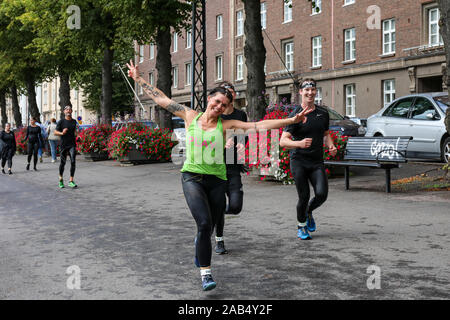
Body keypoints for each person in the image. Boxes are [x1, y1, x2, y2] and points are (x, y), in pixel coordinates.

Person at [127, 60, 311, 291]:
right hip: (192, 178)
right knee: (204, 224)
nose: (219, 106)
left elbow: (259, 126)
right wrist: (138, 78)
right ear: (209, 100)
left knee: (211, 226)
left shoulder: (227, 124)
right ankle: (206, 273)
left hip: (217, 180)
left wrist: (291, 120)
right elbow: (160, 99)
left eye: (223, 105)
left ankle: (201, 248)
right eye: (216, 101)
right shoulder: (190, 115)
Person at [280, 78, 337, 240]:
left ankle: (308, 211)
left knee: (321, 194)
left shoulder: (323, 113)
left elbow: (326, 134)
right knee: (303, 196)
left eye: (313, 90)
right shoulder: (295, 115)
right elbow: (283, 141)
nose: (310, 93)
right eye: (306, 90)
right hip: (299, 161)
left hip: (316, 161)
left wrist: (331, 146)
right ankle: (301, 226)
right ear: (301, 92)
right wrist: (299, 143)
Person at [214, 81, 247, 255]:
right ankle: (219, 239)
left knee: (235, 206)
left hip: (233, 165)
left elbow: (244, 135)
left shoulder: (240, 115)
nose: (229, 94)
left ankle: (215, 212)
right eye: (225, 92)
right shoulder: (214, 115)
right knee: (219, 205)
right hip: (215, 167)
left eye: (231, 92)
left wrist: (241, 144)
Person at [54, 106, 78, 188]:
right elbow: (55, 132)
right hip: (63, 144)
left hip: (72, 144)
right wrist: (62, 133)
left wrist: (77, 136)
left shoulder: (74, 121)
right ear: (64, 111)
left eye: (70, 109)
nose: (68, 111)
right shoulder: (61, 122)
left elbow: (74, 132)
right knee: (63, 163)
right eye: (67, 109)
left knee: (73, 162)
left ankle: (71, 181)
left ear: (71, 111)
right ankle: (61, 180)